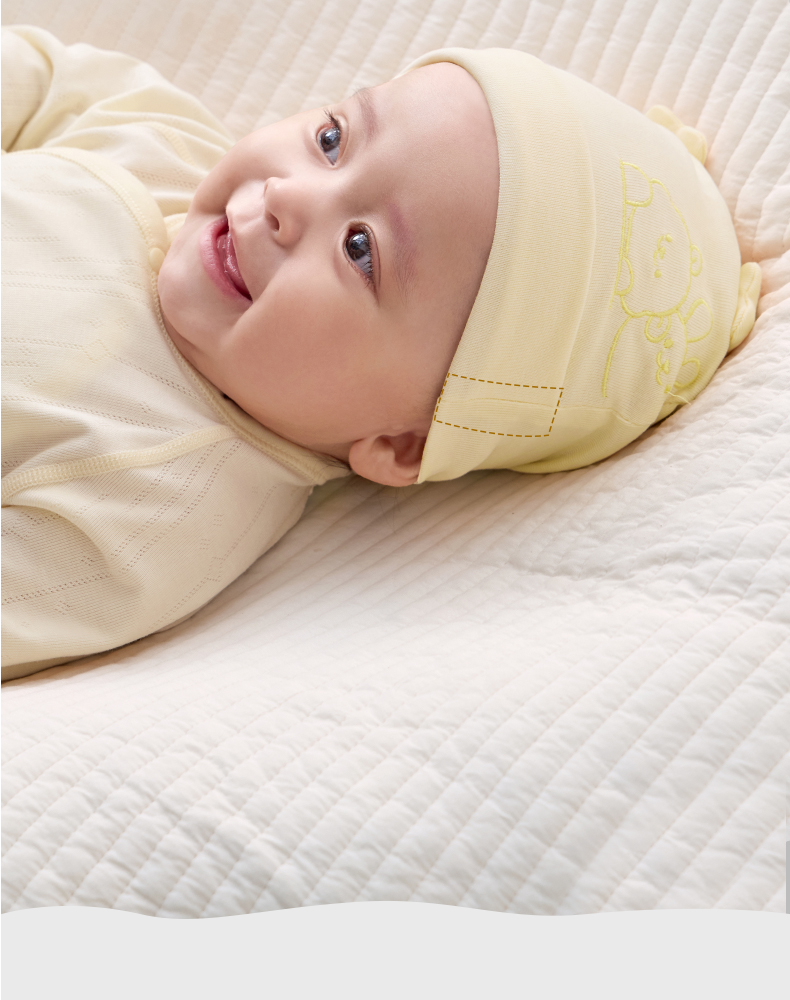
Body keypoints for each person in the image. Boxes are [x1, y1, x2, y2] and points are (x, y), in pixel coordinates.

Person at [1, 26, 759, 681]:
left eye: (361, 249)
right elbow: (39, 76)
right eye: (332, 141)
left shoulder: (150, 514)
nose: (288, 198)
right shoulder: (157, 144)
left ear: (401, 444)